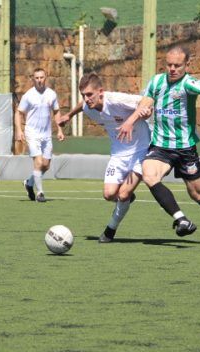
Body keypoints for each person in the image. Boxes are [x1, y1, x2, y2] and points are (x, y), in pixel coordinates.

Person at [118, 46, 200, 242]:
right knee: (149, 175)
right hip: (161, 146)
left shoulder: (189, 83)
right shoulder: (157, 82)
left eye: (177, 65)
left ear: (187, 65)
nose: (172, 69)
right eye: (169, 65)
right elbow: (145, 103)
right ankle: (181, 220)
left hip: (186, 149)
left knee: (197, 195)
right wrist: (133, 119)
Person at [58, 73, 151, 243]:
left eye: (89, 95)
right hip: (118, 154)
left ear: (101, 92)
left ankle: (110, 231)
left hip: (141, 150)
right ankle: (127, 198)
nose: (86, 99)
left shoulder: (115, 99)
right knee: (109, 194)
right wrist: (69, 115)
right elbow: (82, 106)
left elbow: (146, 100)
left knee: (123, 195)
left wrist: (132, 119)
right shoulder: (89, 107)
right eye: (83, 95)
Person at [15, 67, 64, 203]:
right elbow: (18, 113)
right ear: (33, 79)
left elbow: (56, 112)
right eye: (36, 78)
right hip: (32, 133)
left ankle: (29, 183)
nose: (39, 80)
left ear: (45, 77)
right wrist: (19, 130)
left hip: (46, 134)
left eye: (41, 77)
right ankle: (40, 193)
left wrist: (59, 130)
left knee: (46, 165)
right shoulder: (28, 96)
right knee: (38, 162)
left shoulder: (51, 94)